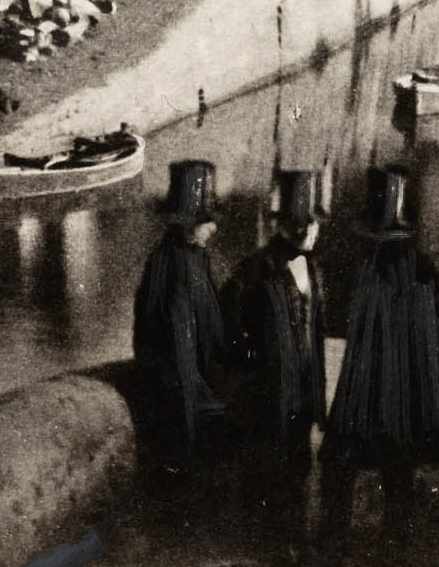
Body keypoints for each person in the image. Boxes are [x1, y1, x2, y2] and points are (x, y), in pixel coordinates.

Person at [320, 165, 439, 544]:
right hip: (407, 401)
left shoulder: (374, 270)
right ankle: (393, 554)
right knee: (397, 474)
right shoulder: (423, 272)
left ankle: (334, 546)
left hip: (371, 398)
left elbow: (363, 341)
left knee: (341, 465)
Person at [228, 168, 329, 526]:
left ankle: (294, 542)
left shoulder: (314, 270)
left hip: (300, 394)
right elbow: (234, 333)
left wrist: (317, 397)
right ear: (281, 226)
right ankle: (268, 547)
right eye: (299, 225)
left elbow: (315, 335)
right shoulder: (255, 271)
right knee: (267, 475)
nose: (308, 232)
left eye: (312, 225)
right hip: (267, 396)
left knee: (298, 469)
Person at [132, 159, 233, 488]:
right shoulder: (164, 264)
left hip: (202, 397)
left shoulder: (199, 260)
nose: (213, 228)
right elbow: (151, 337)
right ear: (188, 222)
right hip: (177, 401)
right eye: (207, 221)